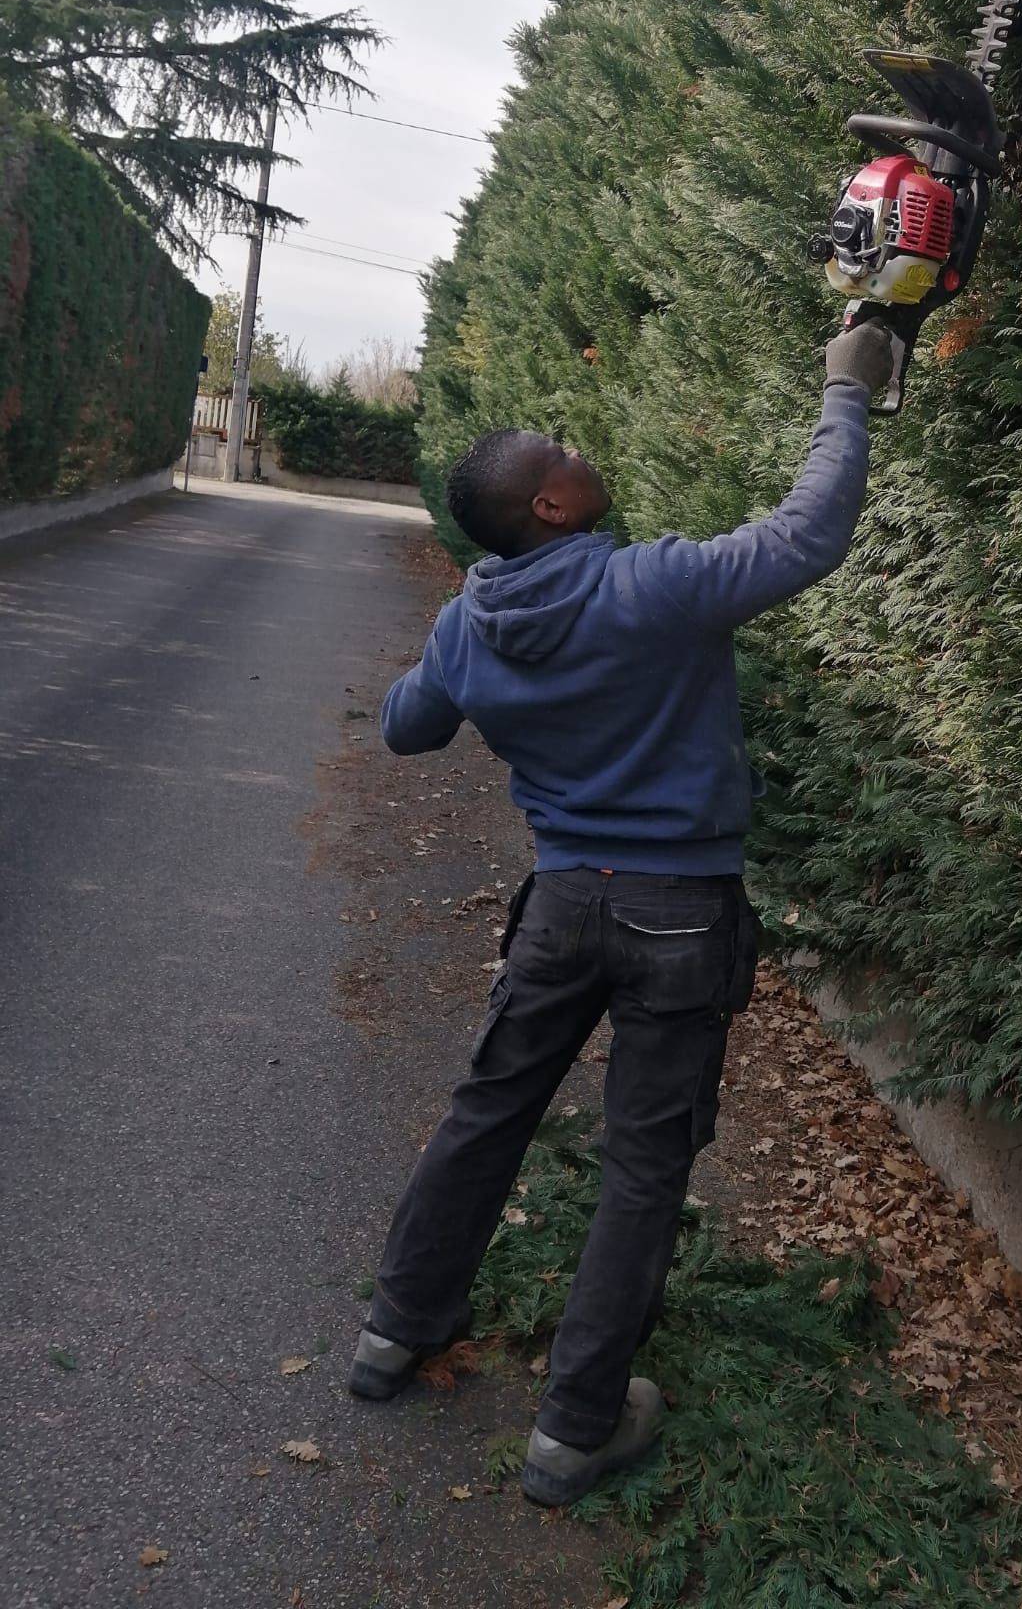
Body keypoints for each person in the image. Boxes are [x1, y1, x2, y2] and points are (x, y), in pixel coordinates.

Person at [349, 320, 895, 1507]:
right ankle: (576, 1428)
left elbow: (405, 727)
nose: (580, 447)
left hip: (559, 908)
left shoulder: (470, 620)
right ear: (549, 506)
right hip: (679, 917)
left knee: (488, 1113)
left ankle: (395, 1330)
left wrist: (453, 653)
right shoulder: (648, 588)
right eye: (562, 449)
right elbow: (807, 535)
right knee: (644, 1165)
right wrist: (846, 393)